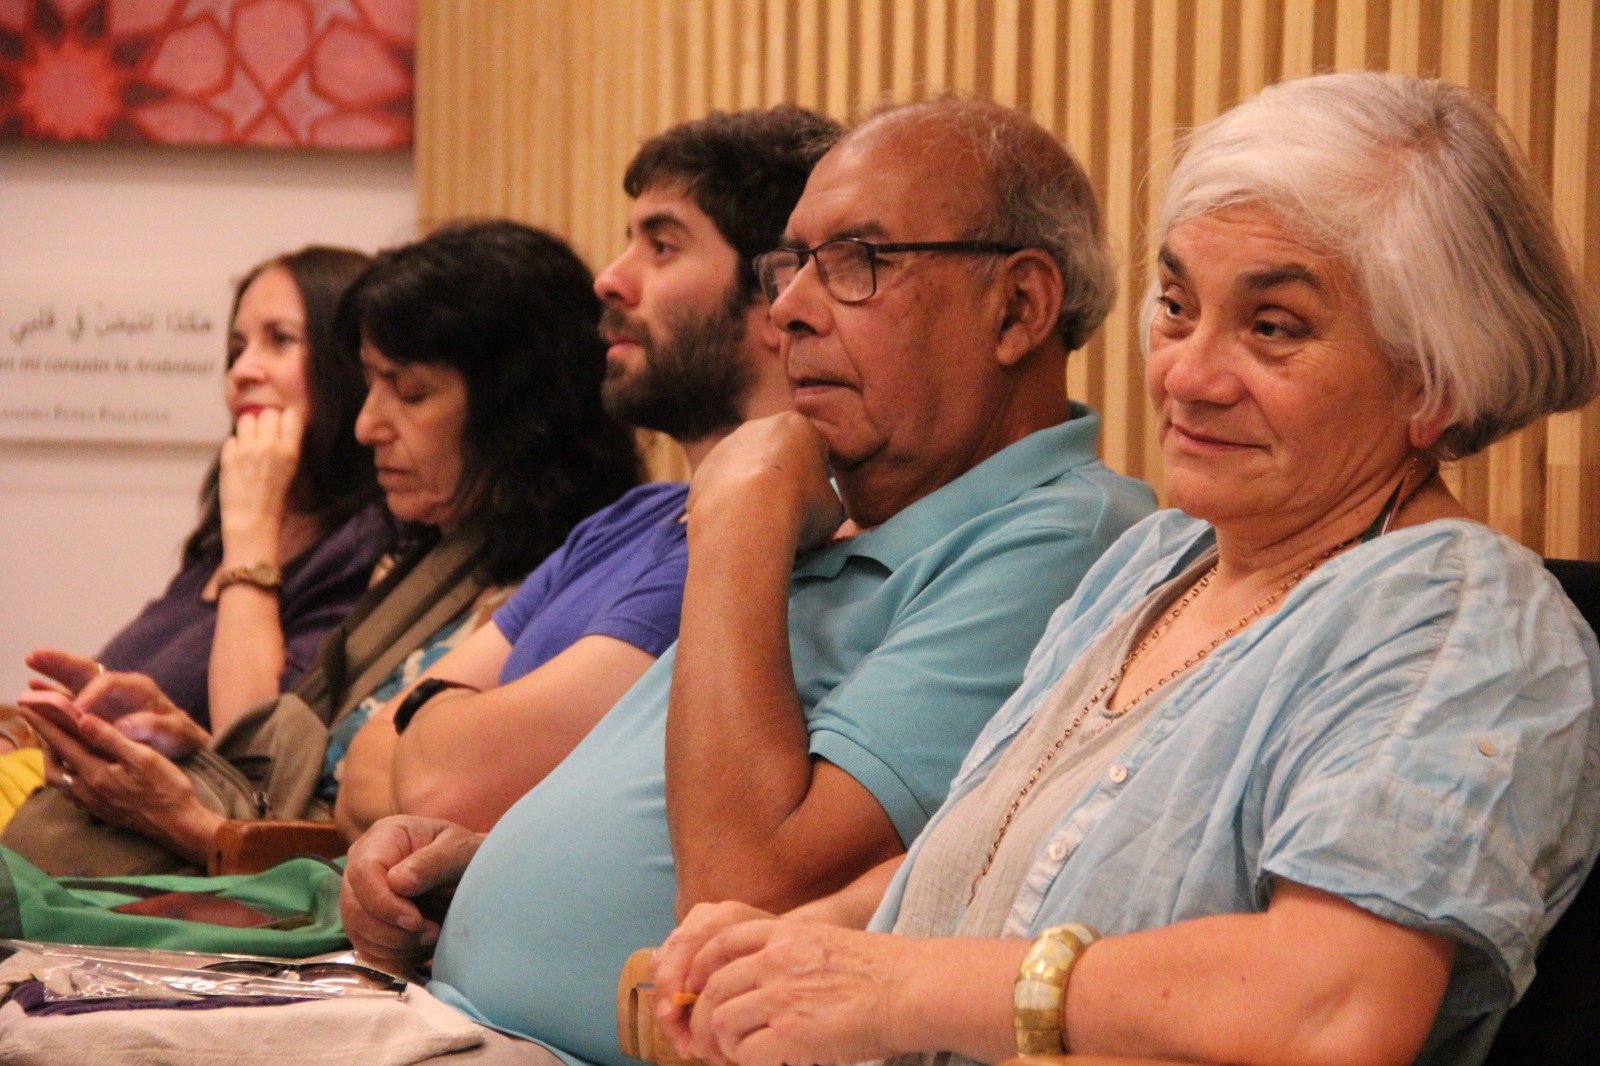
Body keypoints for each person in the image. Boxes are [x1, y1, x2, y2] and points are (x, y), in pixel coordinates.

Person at [653, 71, 1600, 1066]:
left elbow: (1332, 1005)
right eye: (1178, 306)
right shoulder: (1157, 560)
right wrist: (807, 942)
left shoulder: (1458, 622)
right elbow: (1003, 856)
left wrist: (890, 988)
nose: (1185, 374)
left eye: (1273, 327)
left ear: (1435, 378)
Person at [341, 98, 1157, 1066]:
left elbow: (744, 896)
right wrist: (483, 874)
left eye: (855, 261)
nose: (788, 310)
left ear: (1017, 308)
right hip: (449, 1012)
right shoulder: (842, 504)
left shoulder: (1060, 538)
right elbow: (679, 818)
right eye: (791, 264)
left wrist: (733, 525)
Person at [6, 220, 641, 877]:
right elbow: (298, 780)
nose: (369, 425)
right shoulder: (432, 553)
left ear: (520, 412)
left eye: (411, 392)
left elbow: (400, 841)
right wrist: (186, 746)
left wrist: (191, 822)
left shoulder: (571, 587)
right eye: (370, 384)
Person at [329, 106, 833, 837]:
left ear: (778, 295)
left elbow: (442, 785)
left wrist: (430, 726)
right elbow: (362, 769)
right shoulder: (628, 520)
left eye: (662, 246)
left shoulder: (752, 546)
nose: (610, 279)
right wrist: (435, 748)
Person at [25, 246, 387, 738]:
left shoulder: (365, 549)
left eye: (279, 340)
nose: (242, 372)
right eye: (237, 350)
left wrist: (253, 529)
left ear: (350, 366)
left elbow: (256, 747)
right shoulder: (222, 537)